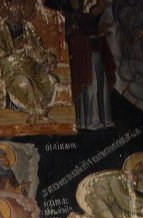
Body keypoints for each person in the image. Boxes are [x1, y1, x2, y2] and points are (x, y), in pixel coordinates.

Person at [45, 0, 116, 129]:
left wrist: (100, 32)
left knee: (101, 84)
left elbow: (96, 25)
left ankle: (104, 118)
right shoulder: (71, 15)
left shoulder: (90, 12)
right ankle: (90, 120)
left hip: (95, 50)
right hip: (83, 54)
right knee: (90, 86)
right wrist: (92, 37)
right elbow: (71, 35)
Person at [0, 0, 58, 124]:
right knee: (23, 83)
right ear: (7, 5)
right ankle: (40, 112)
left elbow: (39, 49)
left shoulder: (28, 28)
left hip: (32, 70)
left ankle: (36, 113)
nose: (19, 8)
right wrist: (15, 49)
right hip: (12, 72)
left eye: (21, 4)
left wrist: (48, 58)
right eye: (15, 4)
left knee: (52, 80)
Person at [65, 164, 143, 218]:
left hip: (107, 198)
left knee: (124, 215)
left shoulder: (128, 179)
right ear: (140, 173)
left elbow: (131, 198)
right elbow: (126, 202)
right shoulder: (117, 178)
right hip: (89, 194)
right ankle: (79, 216)